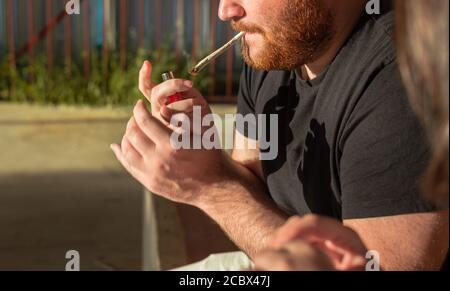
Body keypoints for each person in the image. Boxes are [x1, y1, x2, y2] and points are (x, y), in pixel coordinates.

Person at [111, 0, 448, 270]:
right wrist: (203, 158)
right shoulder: (275, 51)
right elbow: (249, 186)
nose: (225, 10)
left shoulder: (401, 79)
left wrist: (208, 188)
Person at [253, 0, 449, 271]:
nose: (225, 10)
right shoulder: (271, 46)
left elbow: (380, 265)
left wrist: (210, 185)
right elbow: (246, 176)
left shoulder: (397, 74)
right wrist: (206, 170)